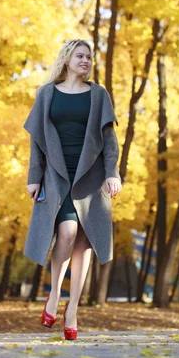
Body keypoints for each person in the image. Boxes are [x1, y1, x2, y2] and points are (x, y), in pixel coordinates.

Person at [22, 39, 122, 340]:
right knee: (66, 232)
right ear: (67, 59)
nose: (86, 61)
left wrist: (112, 173)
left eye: (89, 57)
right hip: (57, 175)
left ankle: (73, 309)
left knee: (84, 243)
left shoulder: (98, 95)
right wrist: (34, 176)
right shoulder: (46, 93)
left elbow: (109, 141)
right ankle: (54, 295)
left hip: (90, 178)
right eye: (80, 56)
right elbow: (36, 140)